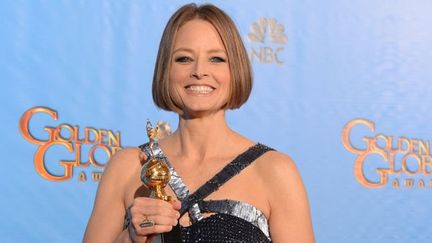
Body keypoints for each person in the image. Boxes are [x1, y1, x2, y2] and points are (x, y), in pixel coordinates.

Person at [83, 3, 315, 243]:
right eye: (184, 59)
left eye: (216, 59)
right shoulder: (129, 167)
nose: (199, 71)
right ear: (166, 70)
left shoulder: (274, 171)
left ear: (235, 70)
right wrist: (130, 237)